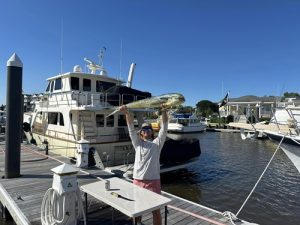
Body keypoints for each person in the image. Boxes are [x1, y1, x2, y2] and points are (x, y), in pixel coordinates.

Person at [120, 105, 168, 225]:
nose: (146, 130)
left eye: (148, 129)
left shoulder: (157, 144)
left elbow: (164, 127)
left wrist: (163, 111)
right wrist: (126, 113)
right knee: (137, 209)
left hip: (153, 181)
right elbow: (131, 127)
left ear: (152, 132)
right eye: (144, 129)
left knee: (156, 211)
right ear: (141, 133)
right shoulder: (137, 144)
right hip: (138, 181)